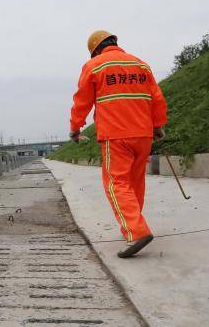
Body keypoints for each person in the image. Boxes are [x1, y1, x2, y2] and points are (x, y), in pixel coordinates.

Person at [69, 30, 167, 258]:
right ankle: (133, 227)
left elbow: (81, 101)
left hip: (116, 135)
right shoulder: (140, 65)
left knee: (116, 183)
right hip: (143, 135)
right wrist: (158, 125)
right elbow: (157, 97)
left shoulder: (94, 66)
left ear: (95, 50)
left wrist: (75, 128)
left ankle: (136, 230)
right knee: (134, 183)